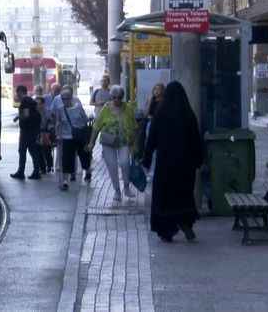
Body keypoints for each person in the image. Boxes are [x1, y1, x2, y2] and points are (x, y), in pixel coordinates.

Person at [142, 81, 204, 243]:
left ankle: (166, 231)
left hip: (165, 164)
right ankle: (185, 222)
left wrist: (147, 159)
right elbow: (196, 139)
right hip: (185, 165)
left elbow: (152, 138)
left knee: (164, 196)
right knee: (183, 195)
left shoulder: (161, 112)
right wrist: (199, 159)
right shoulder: (188, 113)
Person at [87, 85, 137, 202]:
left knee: (125, 163)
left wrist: (135, 144)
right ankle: (117, 191)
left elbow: (134, 126)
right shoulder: (106, 108)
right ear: (111, 97)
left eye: (119, 97)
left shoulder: (128, 108)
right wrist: (91, 143)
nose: (117, 100)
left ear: (122, 97)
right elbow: (96, 127)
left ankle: (126, 187)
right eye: (114, 97)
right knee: (112, 166)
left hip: (124, 141)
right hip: (108, 142)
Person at [53, 86, 92, 190]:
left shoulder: (78, 107)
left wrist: (79, 127)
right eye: (62, 99)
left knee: (83, 155)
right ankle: (65, 181)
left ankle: (87, 170)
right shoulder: (60, 109)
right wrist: (57, 134)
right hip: (67, 137)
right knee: (66, 159)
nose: (64, 101)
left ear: (71, 98)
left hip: (79, 136)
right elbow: (58, 122)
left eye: (66, 98)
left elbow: (85, 120)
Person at [11, 85, 42, 180]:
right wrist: (18, 117)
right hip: (33, 130)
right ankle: (36, 171)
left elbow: (26, 115)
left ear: (20, 92)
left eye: (17, 92)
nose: (16, 95)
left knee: (22, 150)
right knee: (33, 151)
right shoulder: (30, 100)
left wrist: (19, 118)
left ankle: (21, 172)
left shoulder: (25, 101)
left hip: (27, 131)